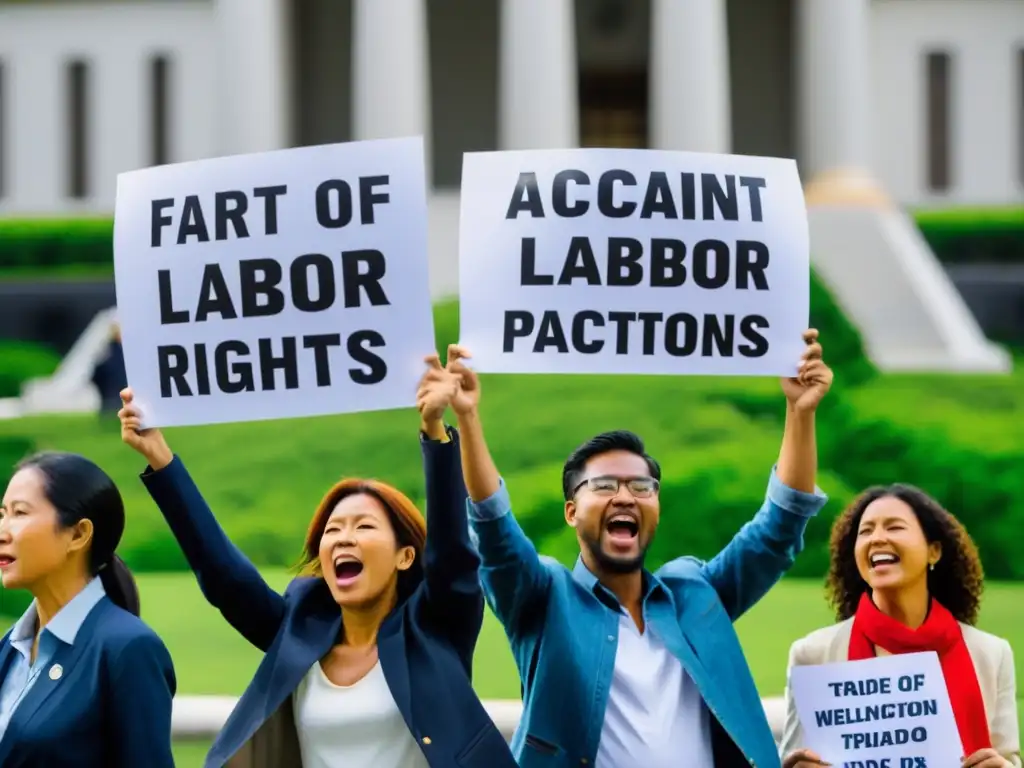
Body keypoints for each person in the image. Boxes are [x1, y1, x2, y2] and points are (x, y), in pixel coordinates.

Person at [444, 330, 833, 768]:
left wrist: (799, 413)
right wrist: (469, 419)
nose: (625, 497)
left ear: (657, 507)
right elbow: (496, 534)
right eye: (605, 486)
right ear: (572, 512)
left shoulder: (694, 592)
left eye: (642, 487)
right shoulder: (545, 598)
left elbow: (778, 528)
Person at [117, 353, 519, 768]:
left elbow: (452, 553)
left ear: (405, 556)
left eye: (363, 527)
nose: (344, 538)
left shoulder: (436, 628)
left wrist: (434, 433)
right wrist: (161, 459)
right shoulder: (300, 627)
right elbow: (226, 577)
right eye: (333, 530)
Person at [780, 485, 1021, 768]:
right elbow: (790, 759)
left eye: (894, 527)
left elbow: (1008, 758)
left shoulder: (991, 653)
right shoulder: (812, 655)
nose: (878, 538)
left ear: (934, 551)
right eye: (866, 531)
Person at [0, 451, 175, 767]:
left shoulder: (128, 648)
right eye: (2, 513)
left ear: (78, 534)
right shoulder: (11, 646)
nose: (3, 531)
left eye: (20, 513)